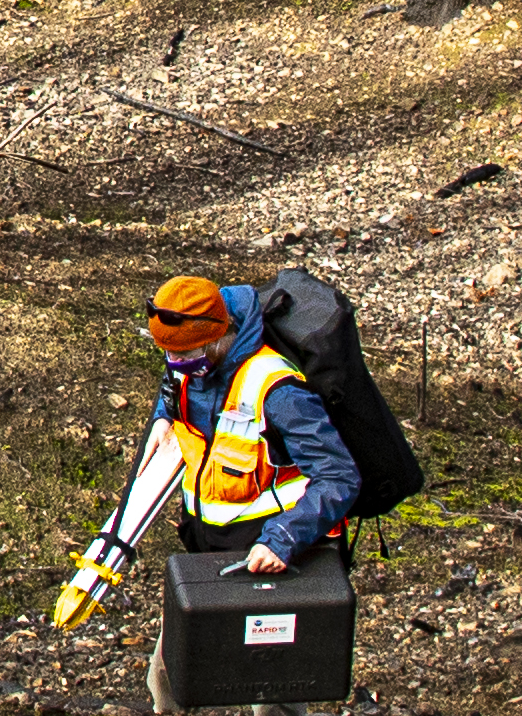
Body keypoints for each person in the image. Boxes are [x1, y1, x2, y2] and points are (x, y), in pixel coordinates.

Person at [47, 272, 363, 636]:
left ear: (218, 336)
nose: (175, 363)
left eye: (184, 355)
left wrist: (283, 540)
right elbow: (177, 386)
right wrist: (164, 416)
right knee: (178, 669)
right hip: (208, 549)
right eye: (167, 353)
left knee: (262, 675)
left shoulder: (279, 392)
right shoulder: (189, 363)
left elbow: (339, 476)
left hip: (272, 555)